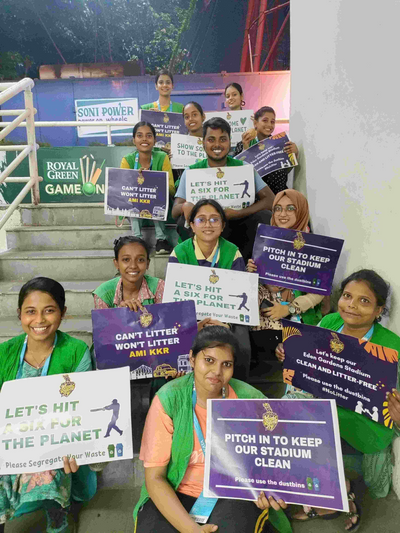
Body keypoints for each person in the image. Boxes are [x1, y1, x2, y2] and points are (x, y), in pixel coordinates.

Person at [133, 326, 291, 532]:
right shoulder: (169, 399)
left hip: (231, 492)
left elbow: (273, 456)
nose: (217, 371)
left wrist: (266, 487)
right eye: (209, 360)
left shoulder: (250, 399)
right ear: (192, 359)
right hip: (174, 489)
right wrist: (191, 530)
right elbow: (155, 478)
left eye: (227, 364)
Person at [276, 269, 400, 530]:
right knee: (296, 410)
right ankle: (336, 492)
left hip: (363, 423)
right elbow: (309, 360)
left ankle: (335, 490)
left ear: (379, 310)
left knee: (377, 488)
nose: (352, 305)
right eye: (347, 296)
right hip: (324, 409)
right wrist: (290, 354)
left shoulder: (391, 346)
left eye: (364, 301)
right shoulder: (331, 321)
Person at [0, 277, 96, 533]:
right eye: (31, 311)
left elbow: (82, 408)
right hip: (13, 439)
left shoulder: (76, 351)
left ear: (63, 313)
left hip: (57, 439)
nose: (39, 320)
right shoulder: (5, 353)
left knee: (53, 467)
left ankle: (59, 519)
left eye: (49, 310)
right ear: (19, 314)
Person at [172, 117, 275, 260]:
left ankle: (244, 263)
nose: (217, 144)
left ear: (230, 141)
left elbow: (270, 200)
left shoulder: (244, 168)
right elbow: (174, 210)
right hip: (206, 227)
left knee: (264, 216)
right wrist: (185, 206)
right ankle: (201, 263)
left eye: (222, 139)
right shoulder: (191, 171)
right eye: (211, 139)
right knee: (182, 221)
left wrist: (238, 213)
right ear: (203, 143)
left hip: (238, 225)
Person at [169, 199, 251, 380]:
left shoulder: (232, 252)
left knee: (242, 344)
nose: (208, 224)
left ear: (222, 225)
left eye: (214, 219)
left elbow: (239, 294)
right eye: (201, 219)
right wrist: (193, 326)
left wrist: (226, 324)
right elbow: (176, 300)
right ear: (192, 225)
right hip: (191, 320)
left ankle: (236, 390)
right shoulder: (179, 253)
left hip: (225, 318)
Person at [247, 189, 325, 364]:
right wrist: (250, 271)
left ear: (301, 211)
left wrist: (289, 309)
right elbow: (257, 283)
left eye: (291, 208)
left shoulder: (314, 247)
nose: (283, 214)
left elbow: (319, 292)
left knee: (290, 343)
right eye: (278, 208)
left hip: (297, 310)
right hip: (266, 308)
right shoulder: (265, 240)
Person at [120, 121, 176, 255]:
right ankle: (137, 239)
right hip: (135, 208)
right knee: (135, 196)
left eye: (149, 136)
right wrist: (138, 182)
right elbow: (123, 191)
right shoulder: (127, 160)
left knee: (155, 194)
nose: (144, 139)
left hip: (160, 208)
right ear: (134, 140)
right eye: (140, 135)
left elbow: (171, 189)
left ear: (155, 140)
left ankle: (161, 240)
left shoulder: (162, 157)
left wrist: (152, 181)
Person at [234, 106, 299, 195]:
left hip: (278, 195)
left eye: (272, 122)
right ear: (255, 123)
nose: (269, 125)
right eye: (265, 120)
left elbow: (286, 170)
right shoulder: (242, 144)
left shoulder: (279, 144)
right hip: (255, 197)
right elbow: (238, 172)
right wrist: (246, 149)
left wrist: (294, 153)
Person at [93, 236, 164, 310]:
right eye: (126, 259)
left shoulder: (159, 288)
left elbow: (167, 316)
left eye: (140, 260)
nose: (133, 266)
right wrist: (120, 313)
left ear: (147, 264)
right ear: (116, 263)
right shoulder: (103, 294)